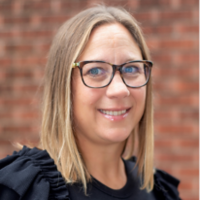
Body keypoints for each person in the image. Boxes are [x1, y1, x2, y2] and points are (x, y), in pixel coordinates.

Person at [0, 5, 181, 200]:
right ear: (63, 85)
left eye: (131, 69)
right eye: (95, 71)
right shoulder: (23, 190)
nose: (120, 89)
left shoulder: (160, 192)